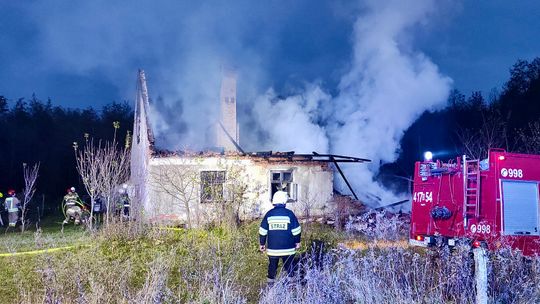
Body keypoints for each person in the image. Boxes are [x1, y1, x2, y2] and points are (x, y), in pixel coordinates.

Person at [259, 187, 302, 286]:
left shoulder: (269, 214)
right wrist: (297, 242)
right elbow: (296, 230)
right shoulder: (289, 214)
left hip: (273, 250)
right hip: (288, 249)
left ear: (274, 202)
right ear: (284, 202)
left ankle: (270, 286)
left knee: (272, 267)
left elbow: (262, 230)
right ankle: (292, 286)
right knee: (290, 266)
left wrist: (262, 244)